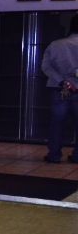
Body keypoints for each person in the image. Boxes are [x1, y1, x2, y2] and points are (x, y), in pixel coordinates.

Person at [40, 14, 78, 163]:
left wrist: (63, 81)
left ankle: (54, 155)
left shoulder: (55, 44)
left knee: (57, 123)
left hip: (61, 89)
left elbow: (46, 66)